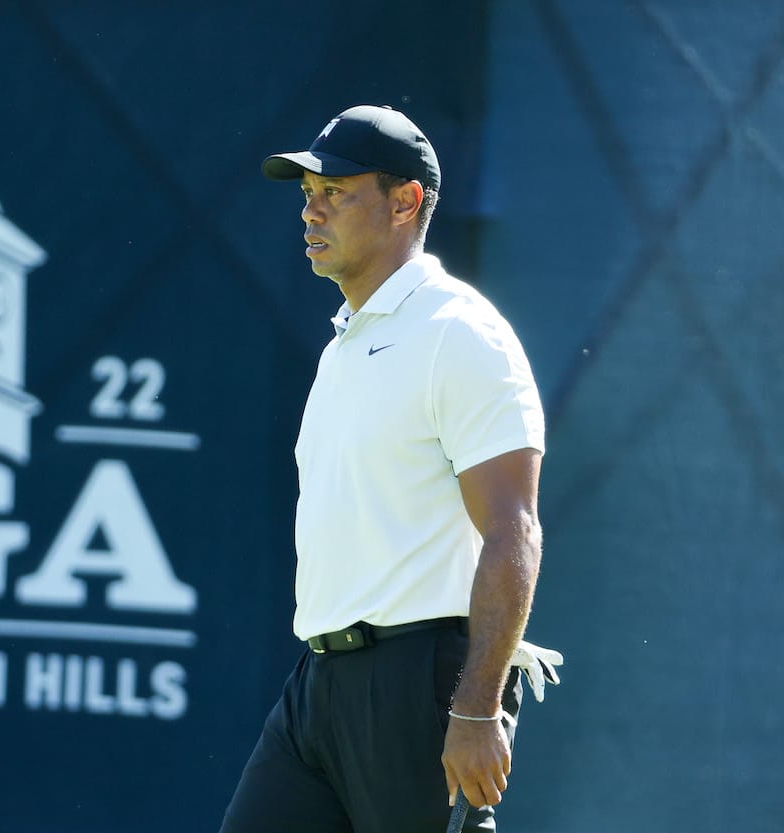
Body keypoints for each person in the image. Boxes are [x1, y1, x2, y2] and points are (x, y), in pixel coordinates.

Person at [219, 105, 549, 833]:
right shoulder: (341, 346)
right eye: (308, 193)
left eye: (335, 191)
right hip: (319, 686)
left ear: (404, 201)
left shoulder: (459, 331)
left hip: (422, 686)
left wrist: (476, 707)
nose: (312, 209)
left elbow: (513, 528)